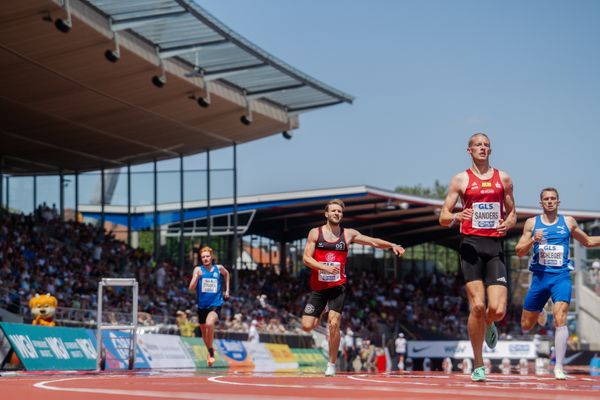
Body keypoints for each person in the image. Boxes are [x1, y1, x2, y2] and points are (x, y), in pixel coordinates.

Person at [439, 132, 516, 382]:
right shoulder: (460, 179)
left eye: (486, 145)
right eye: (478, 145)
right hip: (471, 246)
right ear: (469, 150)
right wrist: (456, 217)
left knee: (498, 310)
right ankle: (479, 364)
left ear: (490, 151)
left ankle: (490, 324)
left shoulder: (503, 178)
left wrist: (508, 223)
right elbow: (443, 216)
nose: (483, 148)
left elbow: (513, 212)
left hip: (494, 246)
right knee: (478, 306)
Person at [301, 198, 405, 376]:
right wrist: (324, 267)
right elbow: (306, 259)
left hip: (338, 287)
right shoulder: (315, 233)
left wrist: (392, 245)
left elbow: (372, 241)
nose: (336, 213)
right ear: (326, 214)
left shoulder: (348, 234)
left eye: (339, 211)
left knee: (334, 323)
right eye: (333, 211)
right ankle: (322, 308)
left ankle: (331, 364)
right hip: (319, 288)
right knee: (307, 326)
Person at [515, 187, 600, 380]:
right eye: (546, 199)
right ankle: (540, 312)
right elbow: (519, 250)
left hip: (560, 276)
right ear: (541, 203)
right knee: (526, 325)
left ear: (558, 202)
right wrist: (531, 242)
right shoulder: (532, 223)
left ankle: (559, 366)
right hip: (539, 278)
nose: (550, 201)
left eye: (553, 198)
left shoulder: (568, 222)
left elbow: (587, 241)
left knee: (561, 317)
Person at [188, 246, 230, 367]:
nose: (205, 259)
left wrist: (227, 291)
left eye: (207, 256)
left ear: (211, 257)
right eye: (203, 257)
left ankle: (211, 353)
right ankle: (210, 349)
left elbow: (227, 274)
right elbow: (191, 288)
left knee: (209, 323)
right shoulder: (198, 270)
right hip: (202, 306)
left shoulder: (218, 268)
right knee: (204, 333)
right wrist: (197, 277)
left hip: (215, 305)